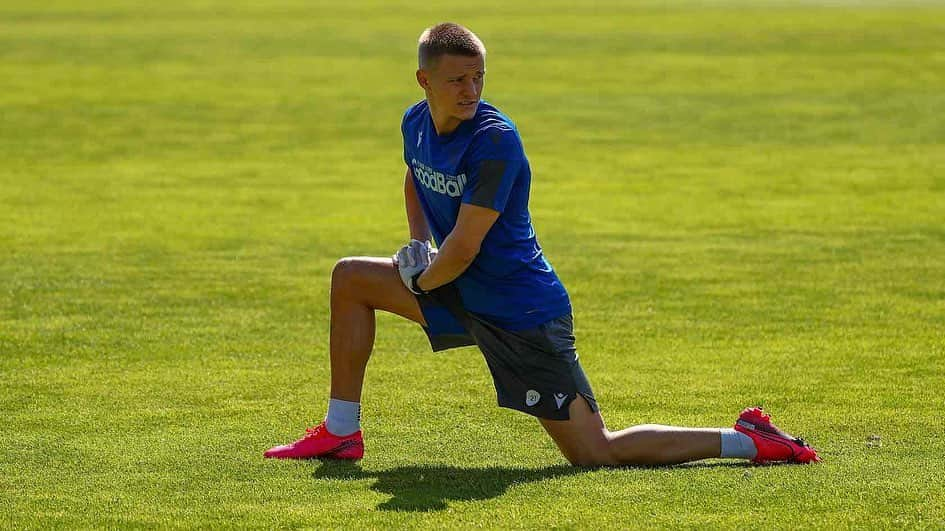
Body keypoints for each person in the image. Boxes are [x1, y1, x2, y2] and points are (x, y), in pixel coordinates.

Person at [263, 23, 820, 466]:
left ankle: (746, 439)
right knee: (351, 278)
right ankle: (341, 431)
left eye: (478, 77)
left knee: (595, 451)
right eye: (457, 79)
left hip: (519, 312)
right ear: (423, 81)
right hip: (456, 289)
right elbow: (415, 175)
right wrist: (414, 243)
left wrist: (420, 275)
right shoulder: (415, 123)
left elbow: (461, 251)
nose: (471, 90)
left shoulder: (496, 142)